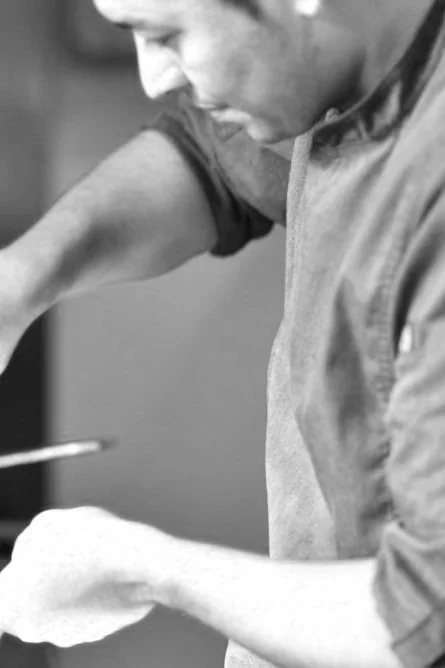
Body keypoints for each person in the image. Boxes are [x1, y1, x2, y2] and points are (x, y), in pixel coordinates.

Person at [0, 0, 443, 666]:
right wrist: (16, 282)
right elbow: (212, 157)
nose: (152, 80)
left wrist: (142, 569)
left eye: (166, 35)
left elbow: (423, 613)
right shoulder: (326, 68)